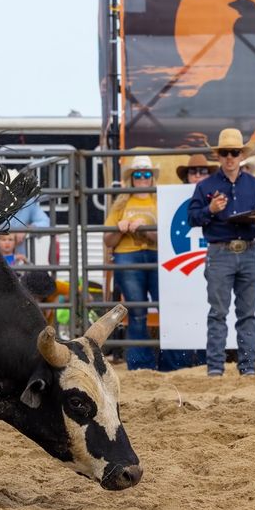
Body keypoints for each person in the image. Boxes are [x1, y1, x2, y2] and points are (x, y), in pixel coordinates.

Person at [188, 128, 255, 378]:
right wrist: (211, 209)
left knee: (245, 313)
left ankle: (246, 367)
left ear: (241, 155)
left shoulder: (254, 185)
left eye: (234, 153)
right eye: (226, 153)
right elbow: (192, 218)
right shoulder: (206, 186)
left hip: (246, 251)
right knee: (219, 312)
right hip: (221, 252)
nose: (230, 157)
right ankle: (216, 367)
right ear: (219, 156)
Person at [103, 155, 164, 371]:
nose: (142, 178)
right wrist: (119, 229)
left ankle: (170, 362)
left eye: (146, 174)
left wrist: (145, 227)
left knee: (164, 307)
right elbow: (108, 240)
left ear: (151, 178)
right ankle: (140, 365)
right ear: (132, 178)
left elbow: (166, 236)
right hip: (127, 254)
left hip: (156, 254)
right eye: (138, 174)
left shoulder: (160, 199)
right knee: (137, 311)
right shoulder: (121, 203)